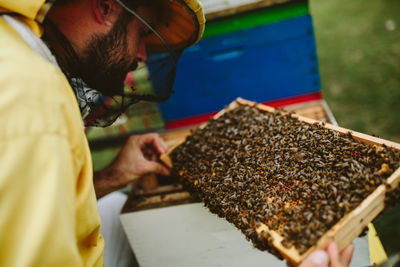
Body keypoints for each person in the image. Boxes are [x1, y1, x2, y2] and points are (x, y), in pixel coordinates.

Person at [0, 0, 353, 266]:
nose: (141, 57)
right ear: (106, 6)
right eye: (142, 33)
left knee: (123, 207)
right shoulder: (34, 102)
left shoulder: (15, 46)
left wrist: (113, 176)